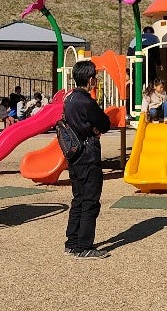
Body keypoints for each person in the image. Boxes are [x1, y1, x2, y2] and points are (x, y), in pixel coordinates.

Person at [63, 60, 111, 259]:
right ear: (91, 79)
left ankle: (72, 242)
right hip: (88, 155)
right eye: (95, 78)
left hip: (74, 155)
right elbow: (105, 123)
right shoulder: (86, 101)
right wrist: (95, 128)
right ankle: (84, 245)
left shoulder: (69, 99)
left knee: (78, 199)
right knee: (91, 201)